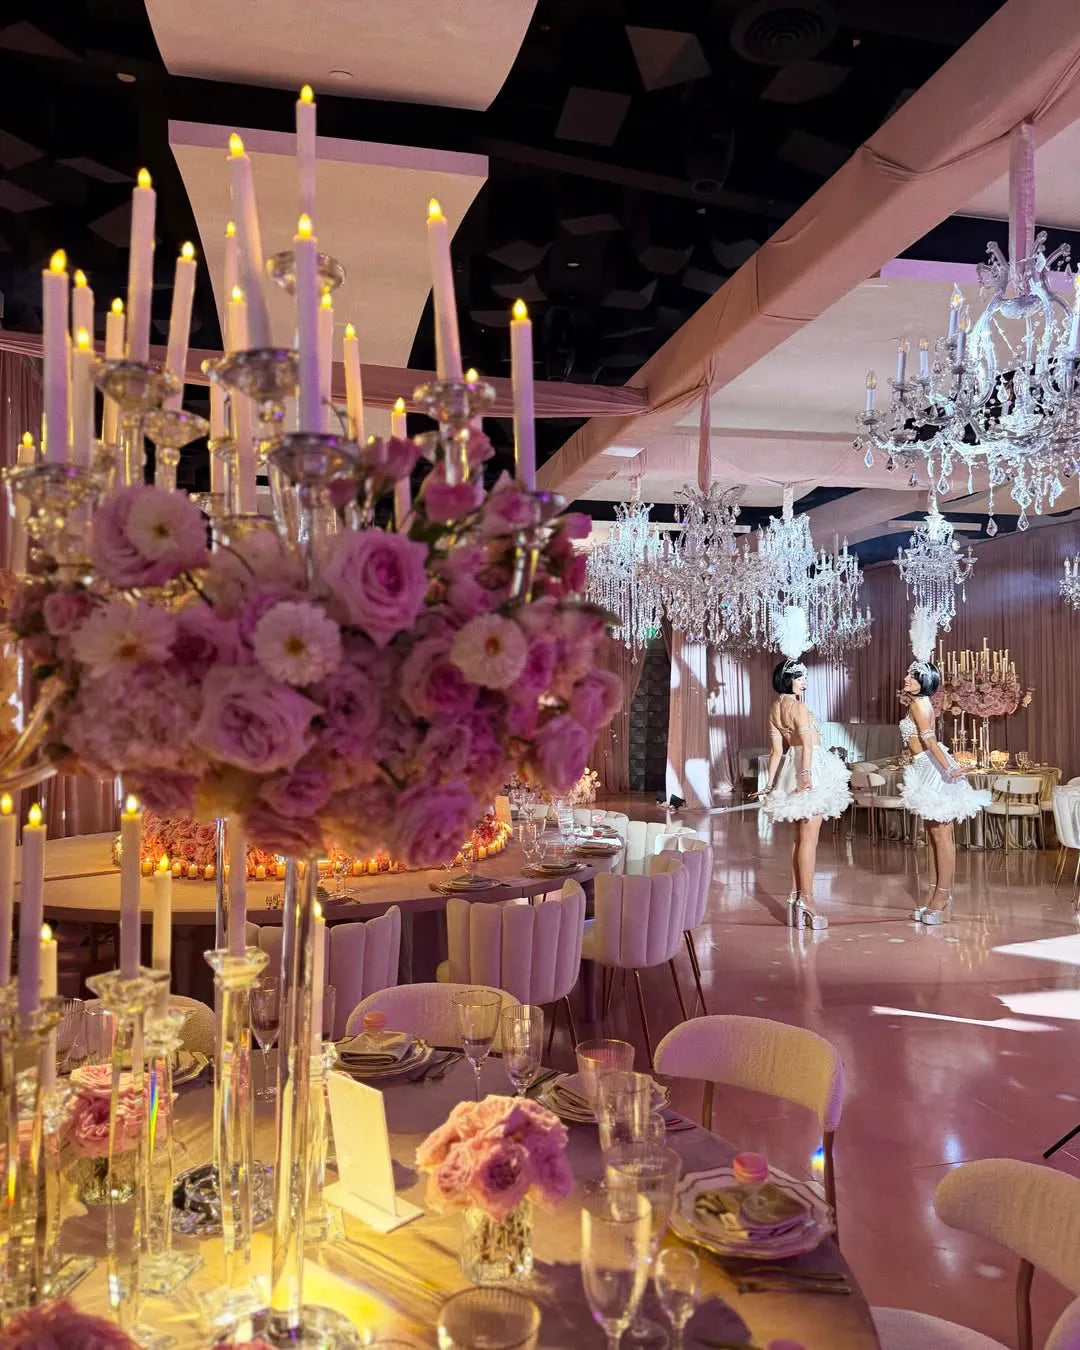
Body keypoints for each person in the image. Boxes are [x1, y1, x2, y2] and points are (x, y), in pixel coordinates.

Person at [758, 612, 852, 929]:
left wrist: (769, 784)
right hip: (810, 769)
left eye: (804, 676)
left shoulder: (775, 709)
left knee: (801, 840)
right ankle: (807, 901)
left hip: (792, 767)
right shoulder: (798, 707)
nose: (804, 682)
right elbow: (808, 745)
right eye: (799, 677)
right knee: (809, 839)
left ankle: (795, 896)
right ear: (788, 680)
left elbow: (776, 752)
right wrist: (807, 776)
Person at [899, 660, 990, 924]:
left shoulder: (919, 705)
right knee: (936, 835)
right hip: (924, 766)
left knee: (941, 836)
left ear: (924, 682)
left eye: (913, 676)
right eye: (908, 674)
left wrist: (949, 768)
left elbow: (930, 741)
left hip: (931, 768)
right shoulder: (921, 703)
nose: (906, 679)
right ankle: (937, 896)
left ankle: (941, 897)